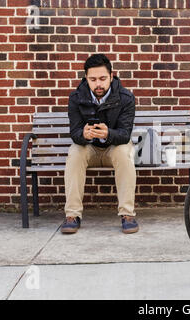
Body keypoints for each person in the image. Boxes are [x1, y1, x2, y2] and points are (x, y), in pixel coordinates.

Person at [61, 53, 138, 234]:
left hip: (114, 147)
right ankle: (72, 215)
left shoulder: (126, 98)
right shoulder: (76, 98)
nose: (98, 84)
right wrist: (83, 135)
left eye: (103, 78)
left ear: (111, 76)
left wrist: (108, 133)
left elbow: (125, 135)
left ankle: (127, 214)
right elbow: (74, 133)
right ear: (86, 78)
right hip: (89, 149)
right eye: (93, 79)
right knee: (75, 152)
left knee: (124, 153)